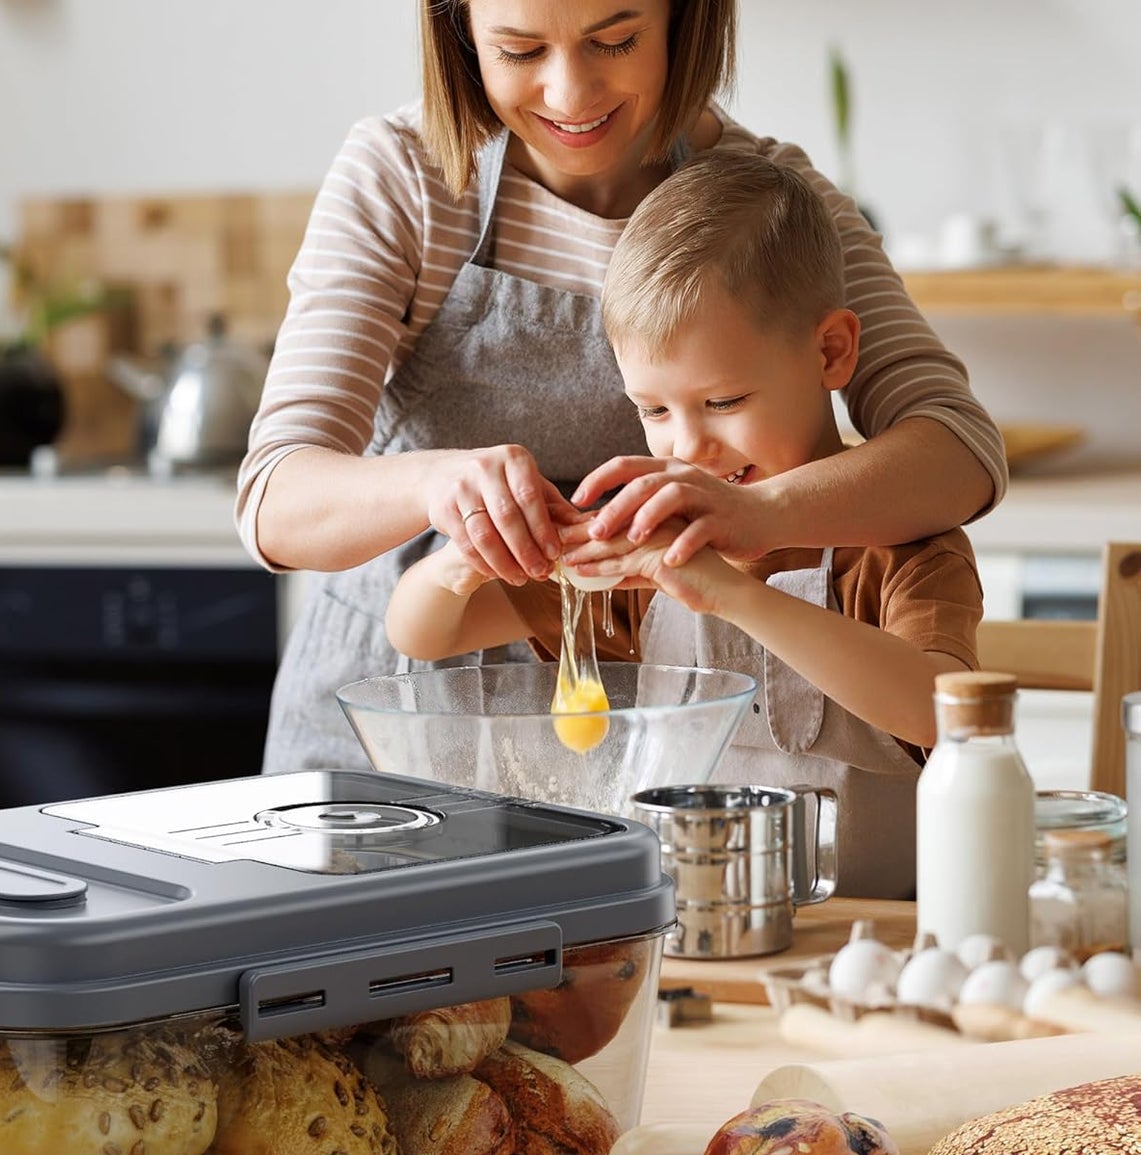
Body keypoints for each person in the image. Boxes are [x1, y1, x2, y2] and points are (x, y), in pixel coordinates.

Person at [239, 0, 1004, 774]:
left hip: (612, 760)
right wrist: (441, 485)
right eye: (518, 50)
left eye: (615, 39)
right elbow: (274, 498)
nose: (570, 94)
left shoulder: (765, 208)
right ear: (460, 38)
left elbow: (959, 451)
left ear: (685, 20)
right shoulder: (406, 176)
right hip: (386, 732)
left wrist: (753, 517)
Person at [386, 150, 983, 897]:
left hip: (879, 953)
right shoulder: (644, 547)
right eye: (655, 410)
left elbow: (942, 713)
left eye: (725, 402)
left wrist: (731, 593)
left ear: (830, 351)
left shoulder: (900, 540)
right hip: (692, 949)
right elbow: (422, 633)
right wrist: (467, 555)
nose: (687, 445)